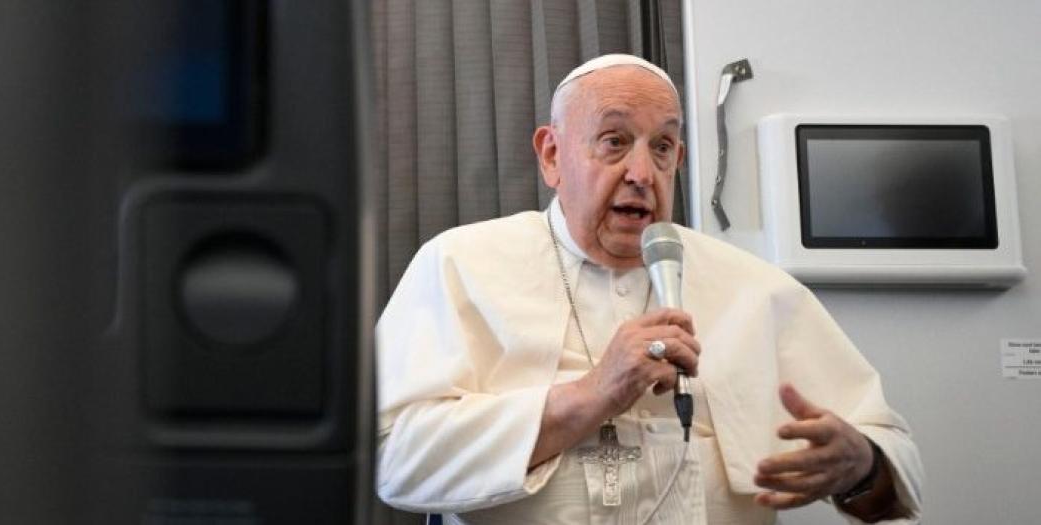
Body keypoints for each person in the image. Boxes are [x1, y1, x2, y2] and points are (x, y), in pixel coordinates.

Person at [375, 54, 923, 524]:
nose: (642, 172)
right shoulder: (458, 264)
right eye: (614, 141)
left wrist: (863, 468)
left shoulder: (757, 289)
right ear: (551, 156)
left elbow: (890, 469)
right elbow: (392, 460)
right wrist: (590, 396)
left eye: (662, 147)